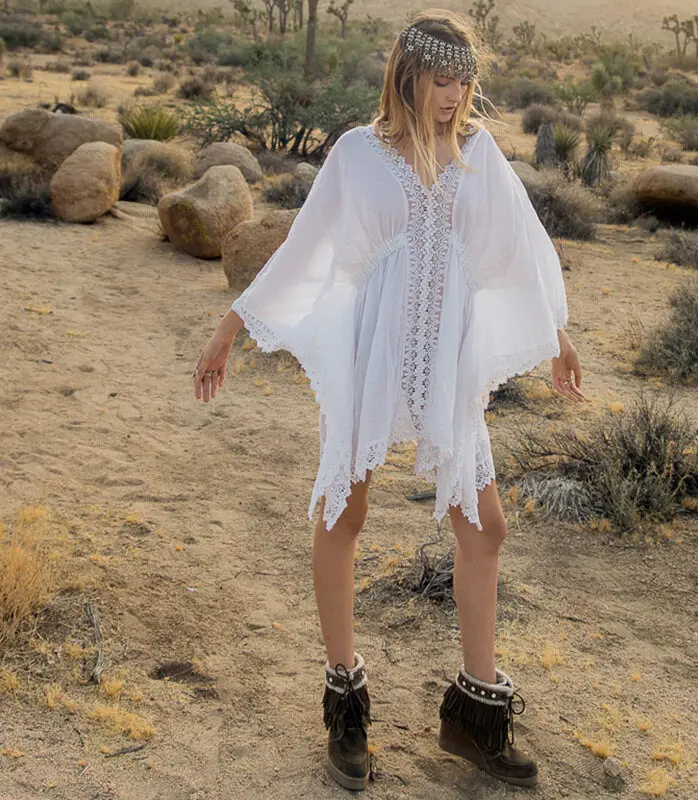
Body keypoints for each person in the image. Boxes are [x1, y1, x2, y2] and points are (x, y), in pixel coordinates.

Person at [192, 9, 585, 792]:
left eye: (464, 81)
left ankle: (473, 719)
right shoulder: (357, 155)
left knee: (486, 529)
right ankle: (346, 703)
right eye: (441, 80)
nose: (454, 96)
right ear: (407, 78)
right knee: (346, 514)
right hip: (371, 355)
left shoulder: (479, 156)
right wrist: (230, 328)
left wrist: (560, 339)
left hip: (448, 364)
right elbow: (305, 249)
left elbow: (521, 251)